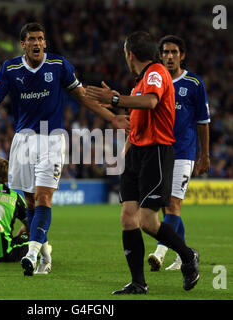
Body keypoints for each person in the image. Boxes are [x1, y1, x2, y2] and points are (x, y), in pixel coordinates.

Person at [0, 22, 116, 275]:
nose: (37, 43)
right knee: (30, 202)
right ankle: (44, 253)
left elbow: (82, 95)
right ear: (23, 44)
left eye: (41, 38)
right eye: (32, 39)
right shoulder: (9, 68)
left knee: (44, 197)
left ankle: (31, 254)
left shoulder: (59, 65)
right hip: (23, 140)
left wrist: (112, 118)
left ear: (45, 42)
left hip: (52, 138)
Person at [86, 31, 199, 294]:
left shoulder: (155, 73)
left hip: (156, 153)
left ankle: (187, 255)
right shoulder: (139, 83)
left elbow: (151, 102)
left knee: (148, 221)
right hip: (136, 155)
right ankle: (138, 282)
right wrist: (126, 152)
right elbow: (138, 118)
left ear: (130, 54)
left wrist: (114, 100)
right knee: (128, 218)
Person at [147, 35, 210, 271]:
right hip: (158, 152)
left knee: (173, 206)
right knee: (166, 208)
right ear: (160, 55)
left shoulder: (194, 83)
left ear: (182, 55)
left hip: (184, 153)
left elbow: (203, 121)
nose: (170, 56)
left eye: (174, 52)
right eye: (165, 52)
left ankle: (160, 252)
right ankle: (186, 254)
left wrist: (204, 155)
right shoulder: (154, 81)